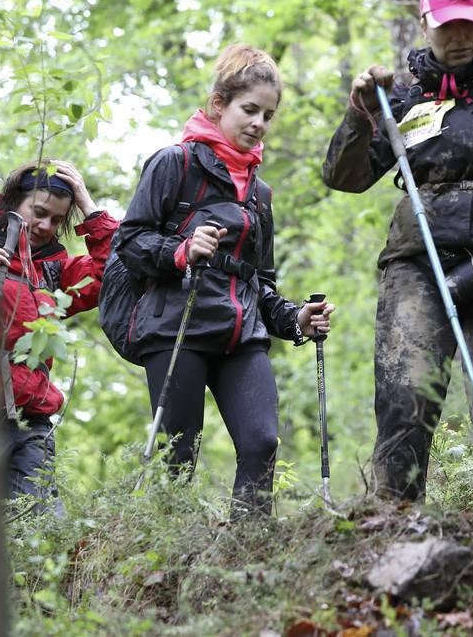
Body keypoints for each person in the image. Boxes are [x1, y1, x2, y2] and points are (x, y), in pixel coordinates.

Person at [322, 0, 473, 503]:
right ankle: (392, 529)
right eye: (447, 26)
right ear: (425, 26)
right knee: (405, 401)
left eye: (469, 24)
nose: (460, 36)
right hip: (418, 265)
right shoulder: (397, 99)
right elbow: (344, 177)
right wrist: (360, 115)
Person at [115, 44, 334, 518]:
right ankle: (163, 567)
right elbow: (129, 242)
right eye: (249, 109)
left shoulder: (261, 193)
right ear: (219, 104)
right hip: (176, 330)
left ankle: (248, 554)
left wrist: (296, 319)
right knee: (178, 459)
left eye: (267, 115)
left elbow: (262, 282)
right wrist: (179, 251)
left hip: (240, 337)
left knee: (261, 442)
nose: (258, 123)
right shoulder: (174, 163)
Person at [0, 159, 118, 513]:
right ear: (13, 202)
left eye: (56, 219)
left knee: (44, 529)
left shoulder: (52, 270)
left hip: (30, 421)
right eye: (38, 212)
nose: (45, 225)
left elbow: (112, 271)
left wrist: (87, 204)